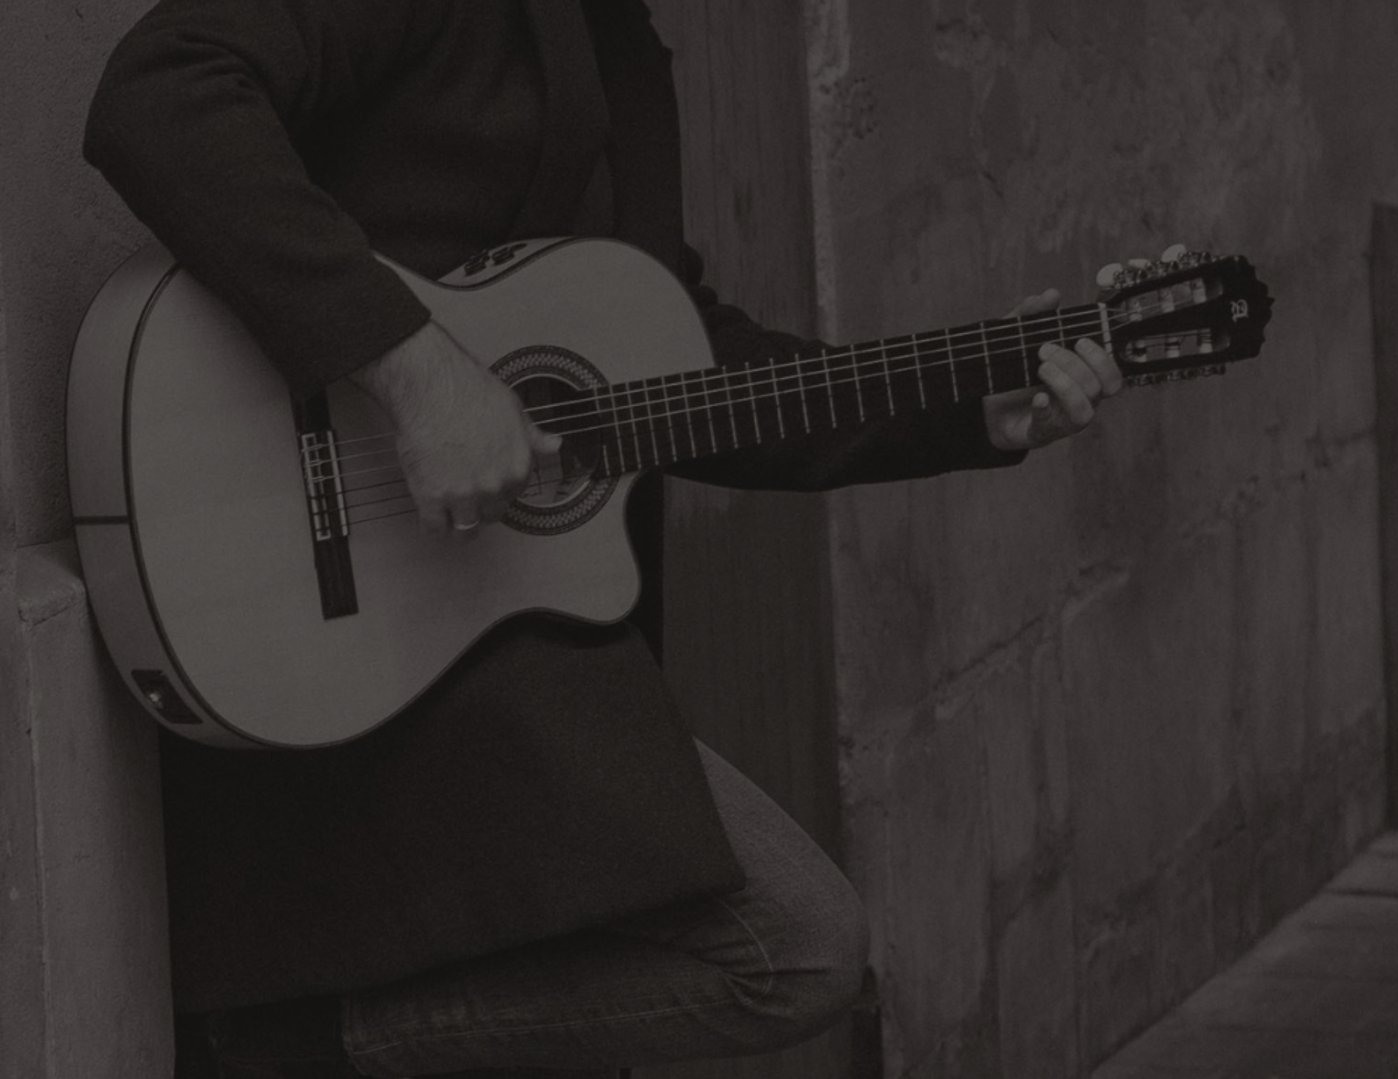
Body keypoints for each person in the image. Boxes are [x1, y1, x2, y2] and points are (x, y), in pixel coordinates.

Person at [82, 1, 1123, 1076]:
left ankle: (318, 1040)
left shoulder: (619, 38)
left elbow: (675, 366)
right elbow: (161, 91)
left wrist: (964, 406)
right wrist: (416, 369)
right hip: (322, 594)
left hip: (480, 622)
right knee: (795, 946)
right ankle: (287, 1048)